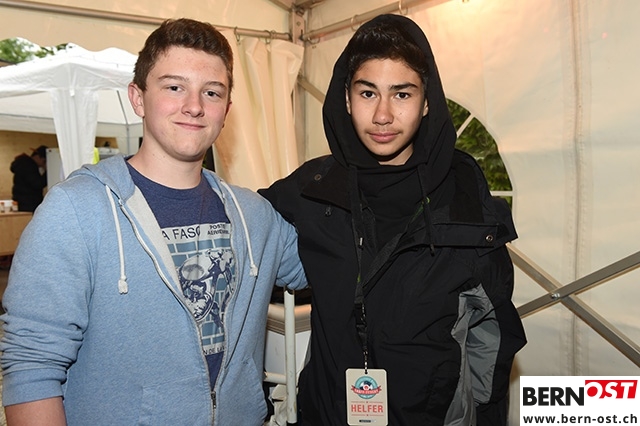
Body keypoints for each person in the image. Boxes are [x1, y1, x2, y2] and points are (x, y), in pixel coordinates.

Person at [1, 18, 306, 426]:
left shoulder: (255, 216)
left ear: (226, 110)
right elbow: (32, 368)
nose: (194, 106)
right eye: (174, 87)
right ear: (138, 98)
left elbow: (332, 266)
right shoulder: (75, 211)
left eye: (212, 92)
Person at [259, 14, 526, 426]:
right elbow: (239, 229)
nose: (382, 115)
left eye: (401, 94)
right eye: (368, 93)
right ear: (347, 99)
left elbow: (491, 348)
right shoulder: (312, 190)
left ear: (426, 102)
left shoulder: (466, 205)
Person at [10, 145, 48, 212]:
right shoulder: (29, 166)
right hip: (29, 204)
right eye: (44, 161)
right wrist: (47, 172)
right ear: (38, 157)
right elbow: (38, 183)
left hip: (22, 202)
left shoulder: (23, 164)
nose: (43, 164)